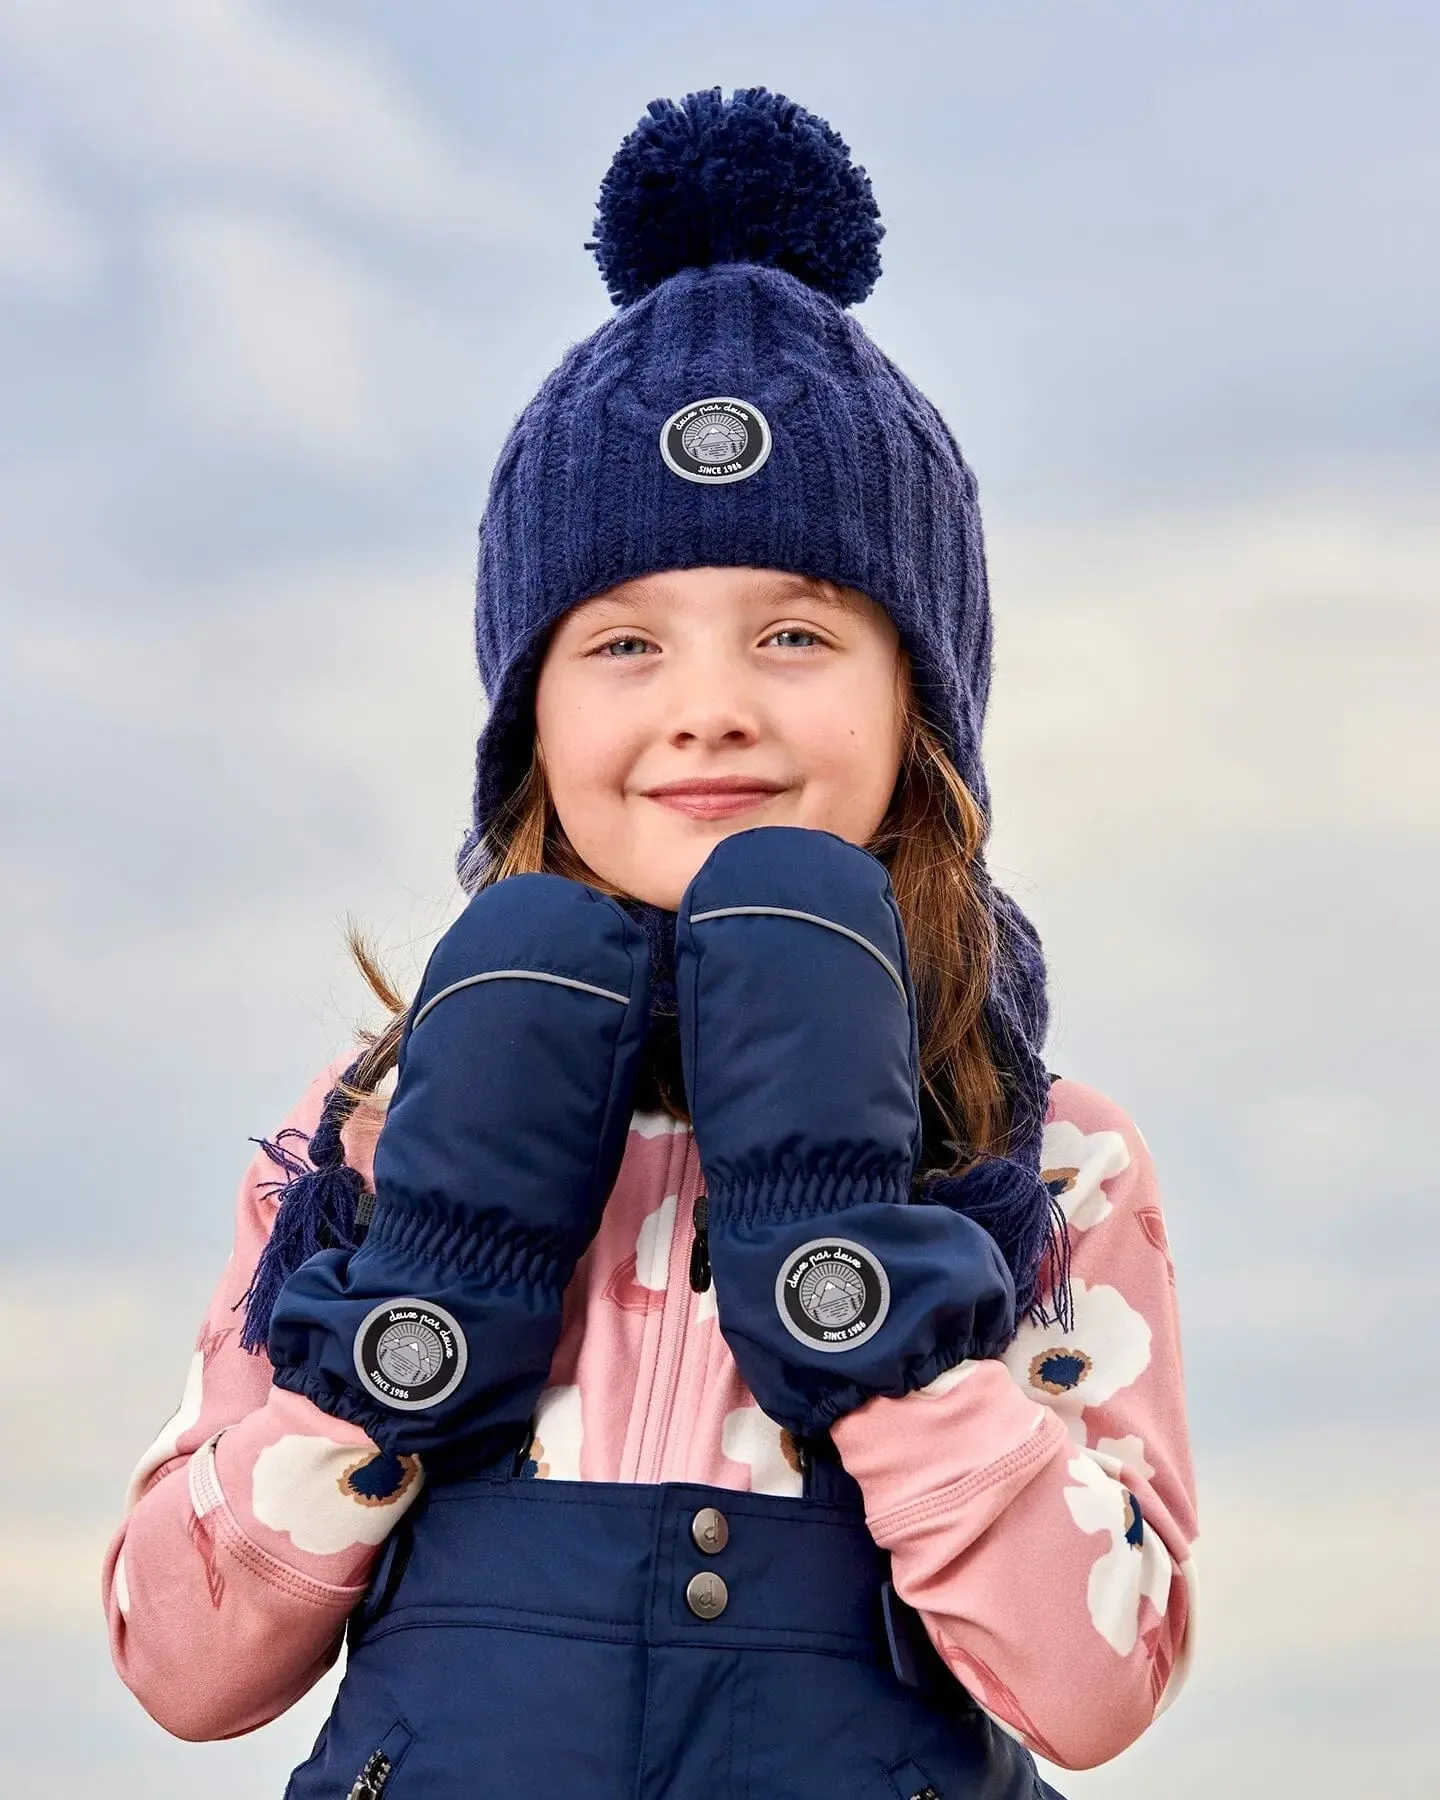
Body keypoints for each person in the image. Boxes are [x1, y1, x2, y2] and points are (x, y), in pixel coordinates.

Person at [104, 88, 1196, 1799]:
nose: (709, 710)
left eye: (793, 630)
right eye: (622, 644)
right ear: (526, 715)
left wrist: (867, 1297)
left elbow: (1098, 1684)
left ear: (921, 701)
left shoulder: (1043, 1158)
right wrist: (415, 1311)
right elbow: (181, 1661)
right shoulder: (367, 1131)